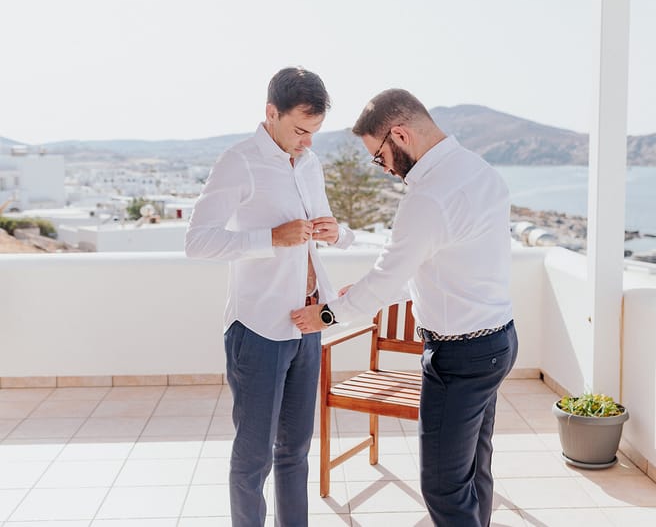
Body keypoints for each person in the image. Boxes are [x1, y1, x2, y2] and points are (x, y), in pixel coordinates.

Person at [291, 88, 517, 527]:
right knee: (474, 471)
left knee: (444, 487)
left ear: (399, 135)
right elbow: (440, 268)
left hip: (459, 356)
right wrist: (369, 292)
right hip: (499, 342)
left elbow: (386, 277)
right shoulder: (479, 170)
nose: (385, 169)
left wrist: (328, 314)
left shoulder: (428, 197)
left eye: (380, 157)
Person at [185, 66, 354, 527]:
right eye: (300, 130)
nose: (307, 142)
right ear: (271, 113)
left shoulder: (310, 164)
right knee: (253, 458)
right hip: (258, 329)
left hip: (309, 323)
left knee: (295, 452)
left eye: (315, 132)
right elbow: (197, 242)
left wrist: (338, 233)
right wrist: (271, 238)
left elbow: (320, 232)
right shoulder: (238, 162)